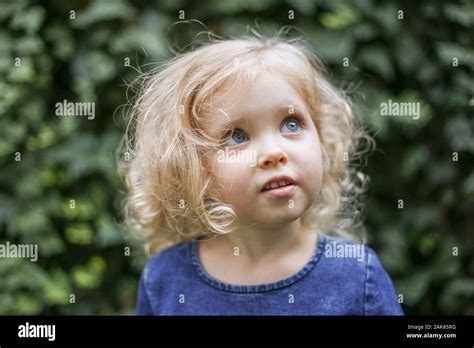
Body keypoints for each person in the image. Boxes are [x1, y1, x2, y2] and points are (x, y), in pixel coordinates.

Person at [119, 33, 404, 315]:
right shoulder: (165, 279)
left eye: (291, 124)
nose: (273, 152)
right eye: (236, 136)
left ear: (322, 140)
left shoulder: (356, 275)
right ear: (188, 168)